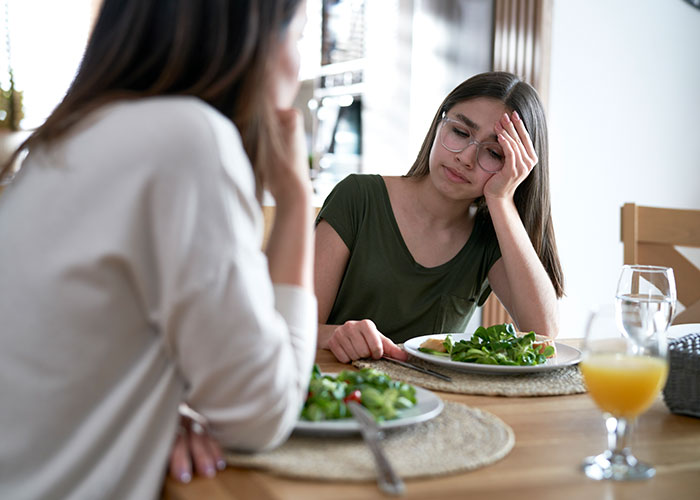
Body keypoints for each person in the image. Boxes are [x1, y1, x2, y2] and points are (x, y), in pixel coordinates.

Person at [0, 0, 316, 498]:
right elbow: (263, 415)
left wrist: (165, 403)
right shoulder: (187, 141)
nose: (299, 67)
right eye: (298, 36)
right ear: (252, 40)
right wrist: (297, 198)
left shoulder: (66, 139)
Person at [314, 71, 564, 363]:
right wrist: (336, 335)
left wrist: (501, 200)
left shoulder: (491, 235)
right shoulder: (357, 197)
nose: (466, 158)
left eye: (494, 153)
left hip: (436, 399)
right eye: (460, 132)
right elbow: (293, 327)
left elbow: (544, 333)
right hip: (337, 389)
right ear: (438, 125)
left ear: (514, 166)